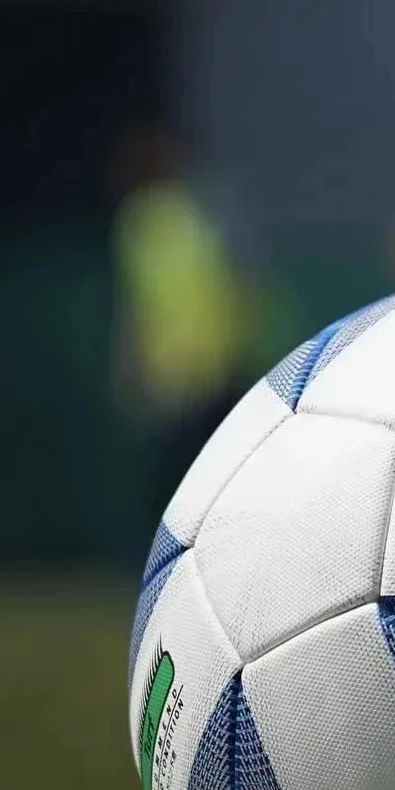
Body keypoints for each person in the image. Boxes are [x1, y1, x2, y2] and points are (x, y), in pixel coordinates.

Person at [111, 124, 247, 523]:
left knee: (201, 477)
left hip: (203, 371)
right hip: (179, 373)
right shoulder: (157, 219)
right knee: (185, 478)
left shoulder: (193, 213)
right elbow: (140, 304)